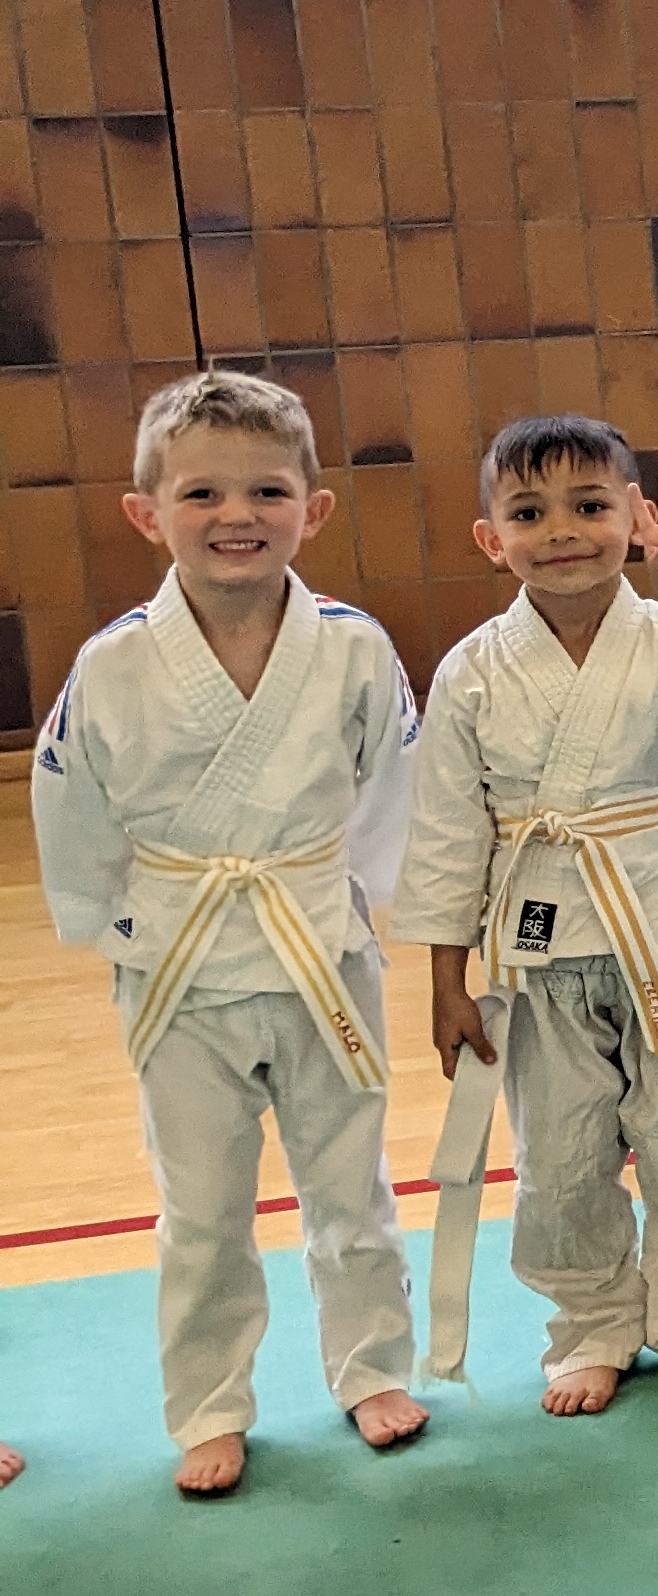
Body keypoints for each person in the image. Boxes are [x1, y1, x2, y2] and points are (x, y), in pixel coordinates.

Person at [31, 372, 426, 1497]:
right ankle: (210, 1406)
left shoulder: (351, 648)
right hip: (180, 961)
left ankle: (370, 1369)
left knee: (350, 1188)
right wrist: (116, 923)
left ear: (317, 507)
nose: (236, 514)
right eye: (201, 491)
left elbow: (398, 782)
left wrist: (373, 896)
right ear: (145, 511)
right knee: (201, 1207)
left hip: (316, 943)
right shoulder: (112, 663)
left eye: (266, 489)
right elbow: (70, 806)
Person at [389, 417, 658, 1411]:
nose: (562, 530)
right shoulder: (473, 670)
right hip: (536, 948)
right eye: (529, 513)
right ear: (491, 537)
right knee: (562, 1156)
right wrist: (447, 979)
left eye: (589, 506)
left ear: (635, 518)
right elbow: (446, 832)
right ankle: (592, 1321)